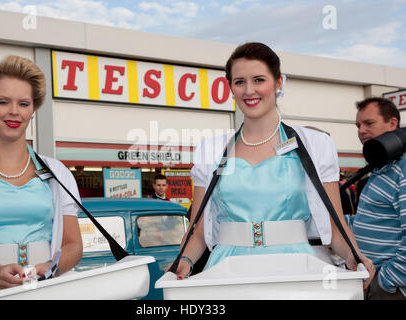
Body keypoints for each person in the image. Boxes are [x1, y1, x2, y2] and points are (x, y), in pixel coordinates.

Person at [170, 42, 375, 289]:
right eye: (239, 82)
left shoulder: (314, 145)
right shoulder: (211, 150)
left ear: (278, 82)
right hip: (226, 273)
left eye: (258, 80)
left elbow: (334, 222)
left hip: (297, 270)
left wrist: (354, 256)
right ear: (230, 88)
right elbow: (198, 230)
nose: (249, 91)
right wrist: (183, 262)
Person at [0, 56, 83, 295]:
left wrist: (49, 270)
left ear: (33, 109)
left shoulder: (58, 173)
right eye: (3, 102)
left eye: (24, 104)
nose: (14, 112)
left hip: (45, 290)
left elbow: (74, 245)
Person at [348, 97, 405, 299]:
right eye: (358, 125)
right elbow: (371, 220)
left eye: (369, 123)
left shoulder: (403, 169)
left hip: (388, 288)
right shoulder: (381, 169)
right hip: (368, 278)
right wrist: (335, 221)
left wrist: (386, 282)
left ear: (392, 123)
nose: (361, 130)